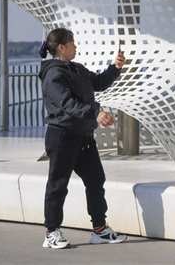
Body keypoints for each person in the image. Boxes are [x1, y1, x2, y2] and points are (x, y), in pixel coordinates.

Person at [38, 28, 128, 249]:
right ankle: (51, 232)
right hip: (62, 135)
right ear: (62, 47)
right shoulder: (53, 74)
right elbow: (67, 104)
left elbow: (98, 83)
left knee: (96, 180)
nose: (75, 46)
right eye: (72, 43)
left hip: (83, 136)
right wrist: (96, 114)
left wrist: (115, 68)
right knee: (58, 185)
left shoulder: (75, 68)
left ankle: (100, 230)